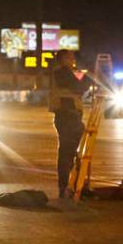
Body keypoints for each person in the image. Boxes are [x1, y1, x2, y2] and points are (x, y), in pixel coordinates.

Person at [49, 49, 91, 198]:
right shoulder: (61, 72)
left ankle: (71, 185)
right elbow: (78, 86)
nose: (73, 61)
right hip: (66, 115)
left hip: (70, 115)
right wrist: (89, 78)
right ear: (63, 59)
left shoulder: (66, 72)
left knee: (70, 152)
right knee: (67, 153)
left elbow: (79, 86)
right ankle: (66, 186)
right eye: (70, 58)